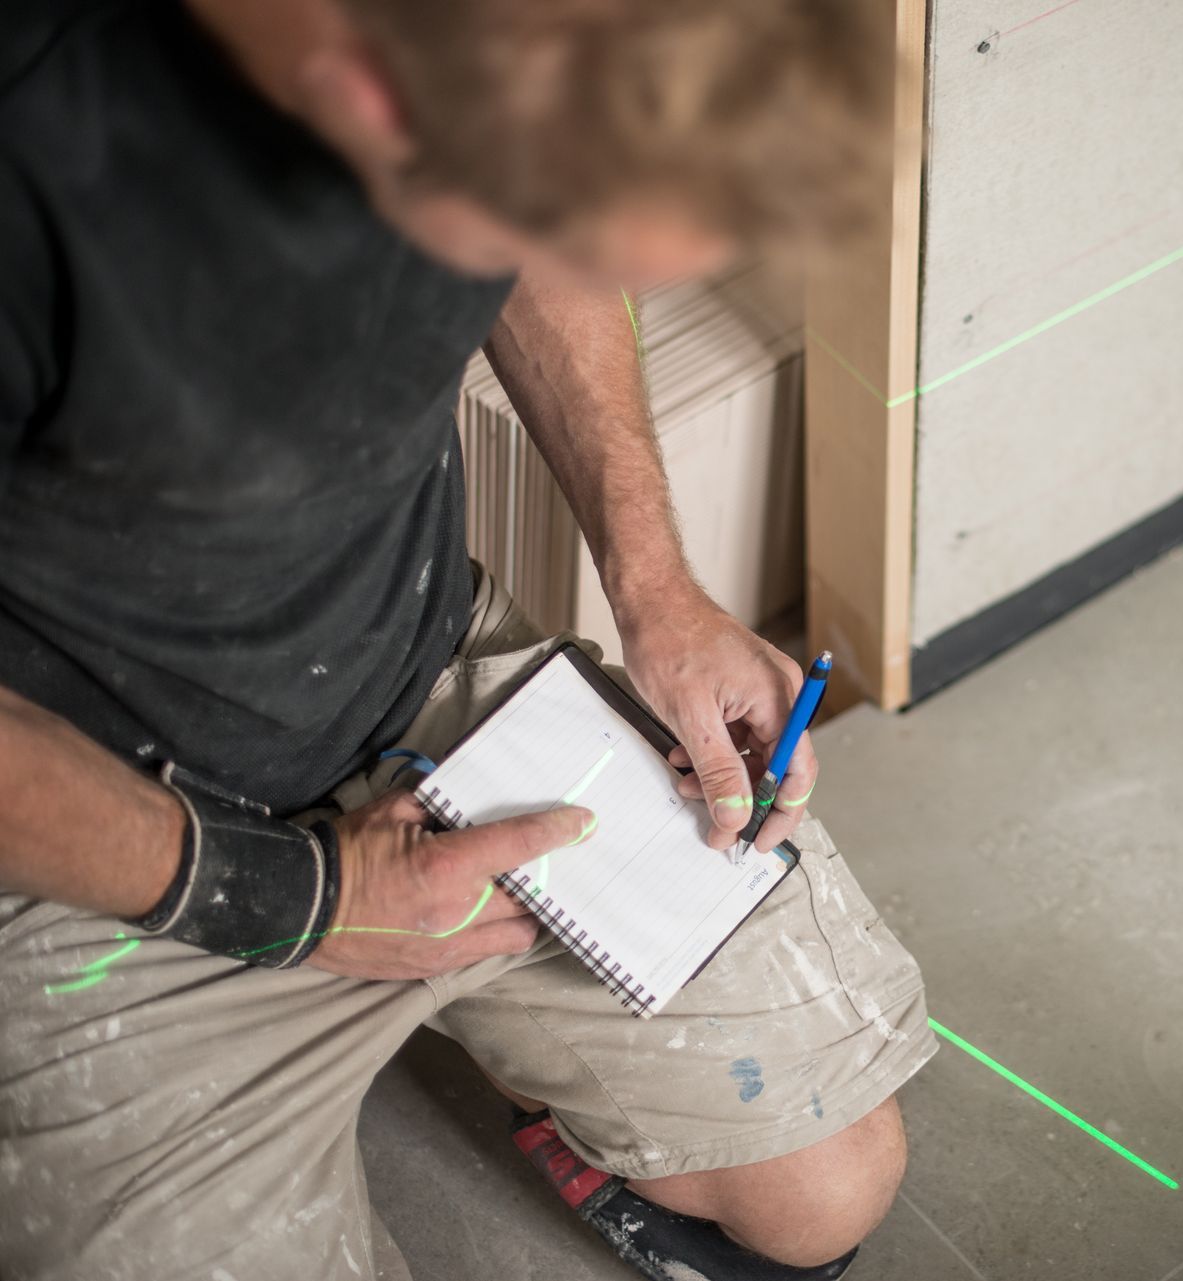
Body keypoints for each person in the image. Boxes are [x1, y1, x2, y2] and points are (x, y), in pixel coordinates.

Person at [0, 2, 935, 1278]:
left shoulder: (480, 80)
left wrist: (657, 587)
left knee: (825, 1193)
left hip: (424, 686)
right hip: (97, 838)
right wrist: (311, 899)